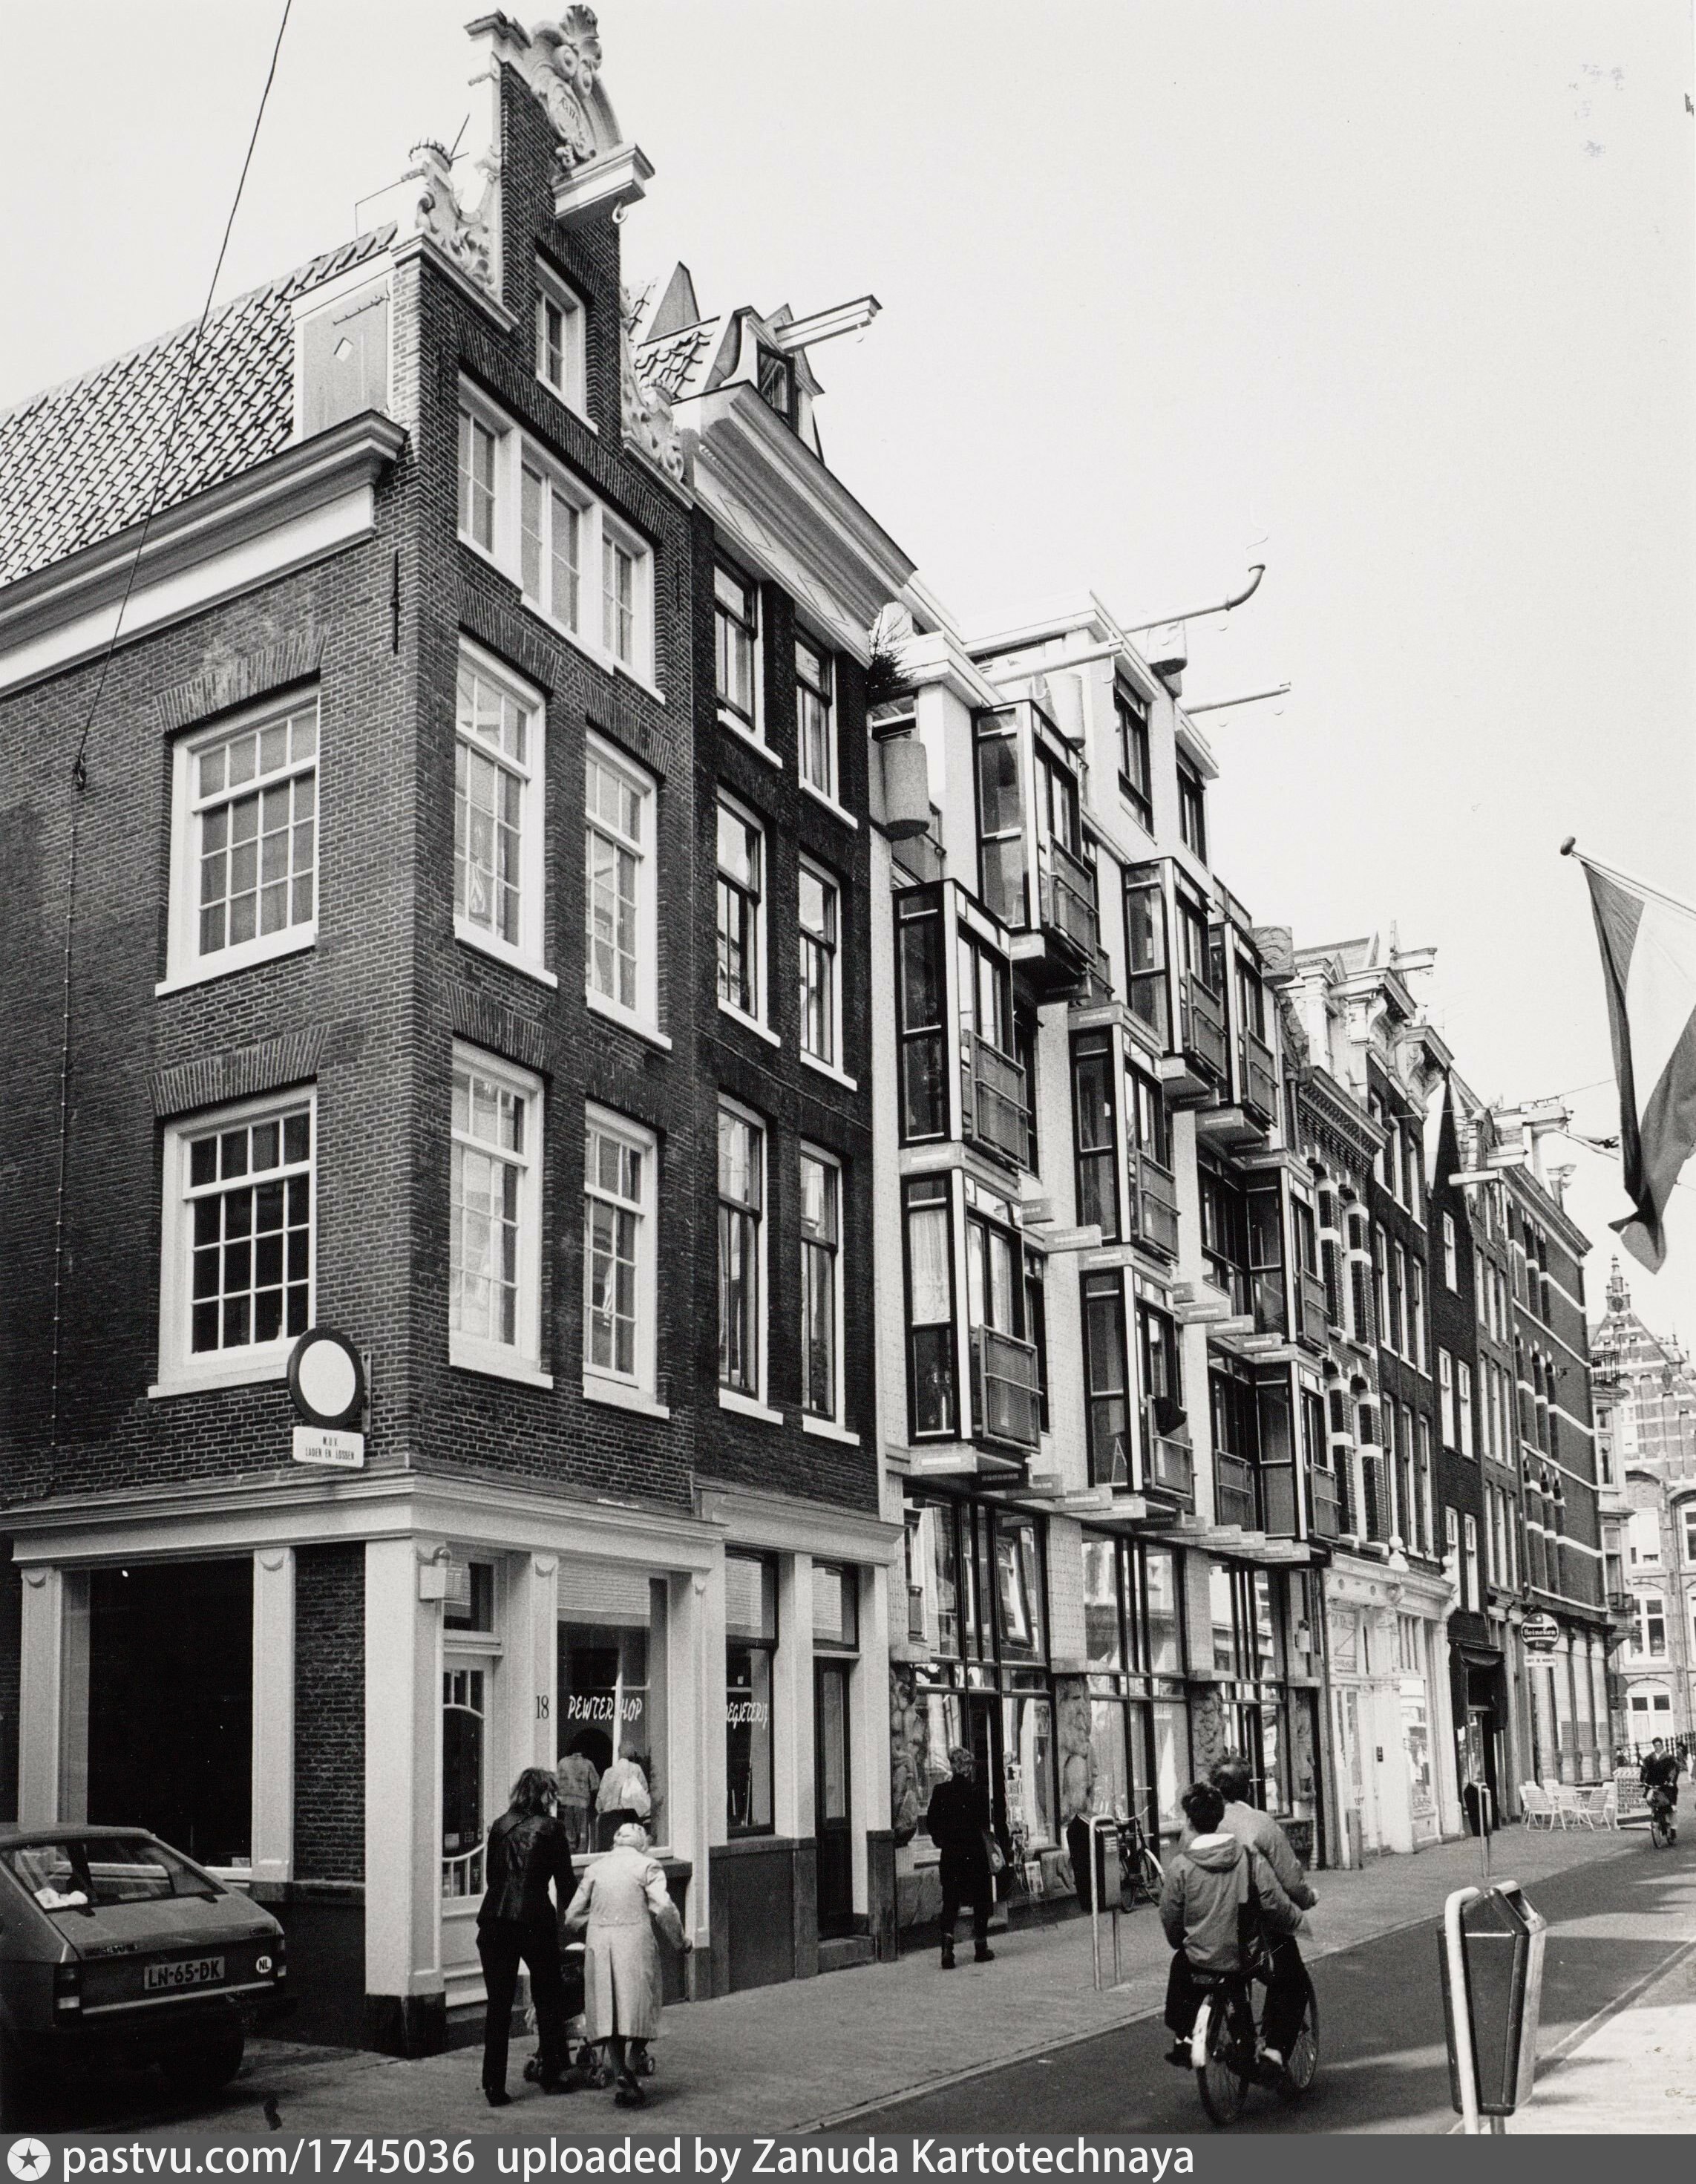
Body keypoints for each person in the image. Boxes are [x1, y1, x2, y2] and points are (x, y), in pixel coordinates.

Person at [1159, 1780, 1303, 2070]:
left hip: (1199, 1958)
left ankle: (1183, 2037)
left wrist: (1180, 1942)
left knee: (1180, 1967)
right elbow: (1273, 1900)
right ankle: (1268, 2051)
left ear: (1189, 1821)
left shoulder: (1180, 1867)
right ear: (1219, 1818)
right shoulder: (1248, 1859)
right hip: (1244, 1957)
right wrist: (1295, 1920)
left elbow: (1171, 1915)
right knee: (1290, 1979)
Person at [1200, 1754, 1317, 2070]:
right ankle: (1274, 2053)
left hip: (1208, 1922)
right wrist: (1308, 1899)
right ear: (1249, 1789)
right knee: (1292, 1979)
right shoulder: (1260, 1823)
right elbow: (1290, 1879)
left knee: (1232, 1973)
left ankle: (1239, 2039)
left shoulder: (1196, 1826)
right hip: (1254, 1923)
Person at [562, 1822, 690, 2108]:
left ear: (615, 1843)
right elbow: (664, 1908)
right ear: (642, 1844)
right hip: (634, 1944)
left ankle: (620, 2069)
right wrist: (681, 1941)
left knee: (610, 2009)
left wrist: (598, 1923)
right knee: (643, 2003)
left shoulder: (596, 1868)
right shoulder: (647, 1866)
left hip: (600, 1945)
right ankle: (633, 2061)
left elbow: (571, 1916)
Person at [476, 1768, 577, 2108]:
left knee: (498, 2005)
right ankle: (553, 2073)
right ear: (544, 1795)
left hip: (494, 1920)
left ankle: (494, 2085)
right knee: (548, 1997)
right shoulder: (552, 1829)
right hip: (534, 1919)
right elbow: (566, 1884)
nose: (554, 1800)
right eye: (552, 1793)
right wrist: (578, 1918)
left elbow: (492, 1878)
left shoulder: (499, 1826)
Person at [925, 1745, 1007, 1970]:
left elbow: (931, 1822)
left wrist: (942, 1841)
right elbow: (984, 1823)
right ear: (968, 1768)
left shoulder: (940, 1791)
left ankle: (947, 1950)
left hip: (951, 1855)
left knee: (951, 1901)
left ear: (952, 1766)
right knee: (981, 1900)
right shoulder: (978, 1792)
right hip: (975, 1855)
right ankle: (980, 1947)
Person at [595, 1744, 652, 1850]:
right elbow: (643, 1792)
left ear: (619, 1753)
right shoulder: (636, 1769)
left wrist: (601, 1810)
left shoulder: (609, 1772)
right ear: (632, 1754)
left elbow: (601, 1796)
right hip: (630, 1816)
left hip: (611, 1816)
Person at [556, 1740, 601, 1856]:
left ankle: (570, 1854)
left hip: (566, 1802)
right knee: (582, 1833)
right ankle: (581, 1855)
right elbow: (595, 1784)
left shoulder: (562, 1762)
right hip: (582, 1802)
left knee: (568, 1831)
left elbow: (556, 1782)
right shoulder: (588, 1763)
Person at [1642, 1739, 1681, 1837]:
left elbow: (1673, 1771)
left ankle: (1673, 1828)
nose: (1657, 1747)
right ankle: (1658, 1818)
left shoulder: (1669, 1758)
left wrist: (1671, 1781)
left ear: (1662, 1745)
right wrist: (1643, 1781)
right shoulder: (1650, 1758)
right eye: (1655, 1746)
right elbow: (1645, 1770)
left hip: (1666, 1785)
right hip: (1654, 1784)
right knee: (1650, 1799)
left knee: (1670, 1807)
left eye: (1659, 1745)